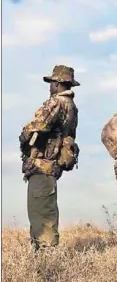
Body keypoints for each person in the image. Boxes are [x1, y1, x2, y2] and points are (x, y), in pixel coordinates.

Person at [19, 65, 80, 252]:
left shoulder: (56, 102)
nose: (50, 86)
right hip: (51, 167)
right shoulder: (72, 107)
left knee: (41, 214)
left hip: (42, 166)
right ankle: (43, 255)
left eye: (52, 82)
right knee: (44, 210)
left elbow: (37, 126)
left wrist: (24, 137)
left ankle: (47, 259)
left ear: (59, 83)